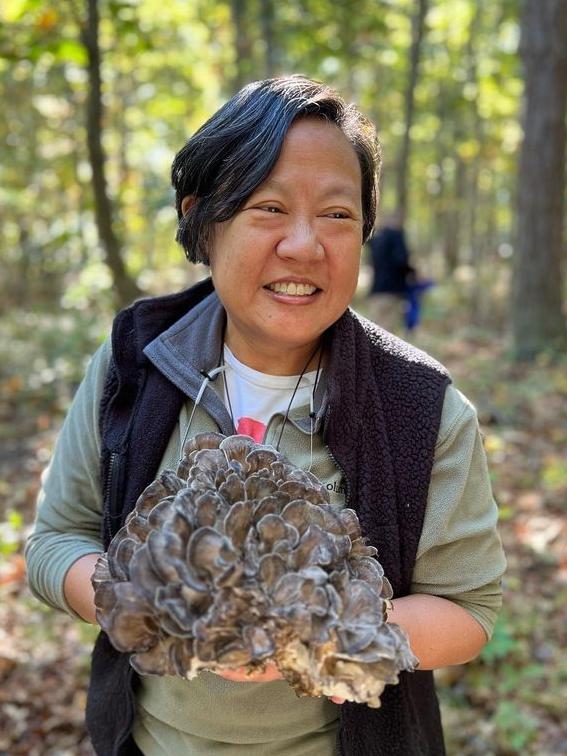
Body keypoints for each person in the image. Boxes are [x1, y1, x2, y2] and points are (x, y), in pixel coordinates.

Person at [25, 76, 506, 756]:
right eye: (268, 207)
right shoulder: (134, 362)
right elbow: (54, 542)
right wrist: (147, 603)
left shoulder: (422, 405)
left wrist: (312, 637)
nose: (305, 245)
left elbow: (468, 610)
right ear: (202, 219)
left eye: (337, 215)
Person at [367, 212, 415, 334]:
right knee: (386, 333)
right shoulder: (396, 236)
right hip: (393, 291)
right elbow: (401, 260)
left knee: (374, 332)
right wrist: (412, 272)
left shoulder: (375, 239)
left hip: (376, 291)